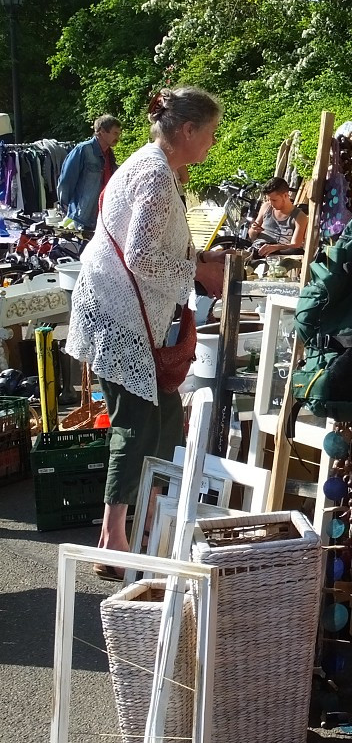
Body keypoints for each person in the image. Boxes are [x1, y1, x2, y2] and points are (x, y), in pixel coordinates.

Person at [65, 87, 226, 577]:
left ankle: (150, 522)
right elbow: (139, 256)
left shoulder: (155, 166)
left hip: (122, 314)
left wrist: (196, 261)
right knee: (135, 423)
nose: (213, 143)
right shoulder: (155, 174)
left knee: (162, 417)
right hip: (118, 318)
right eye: (212, 133)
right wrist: (196, 273)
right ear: (187, 130)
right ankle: (114, 536)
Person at [58, 114, 123, 230]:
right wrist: (67, 208)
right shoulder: (83, 150)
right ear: (101, 131)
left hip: (104, 215)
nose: (118, 137)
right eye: (115, 133)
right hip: (83, 216)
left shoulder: (110, 155)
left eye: (119, 134)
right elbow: (66, 181)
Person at [247, 176, 308, 257]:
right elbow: (252, 236)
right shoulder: (266, 207)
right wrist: (253, 230)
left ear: (285, 195)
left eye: (274, 200)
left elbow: (295, 245)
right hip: (257, 249)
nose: (271, 203)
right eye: (269, 200)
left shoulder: (299, 217)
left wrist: (275, 247)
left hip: (278, 255)